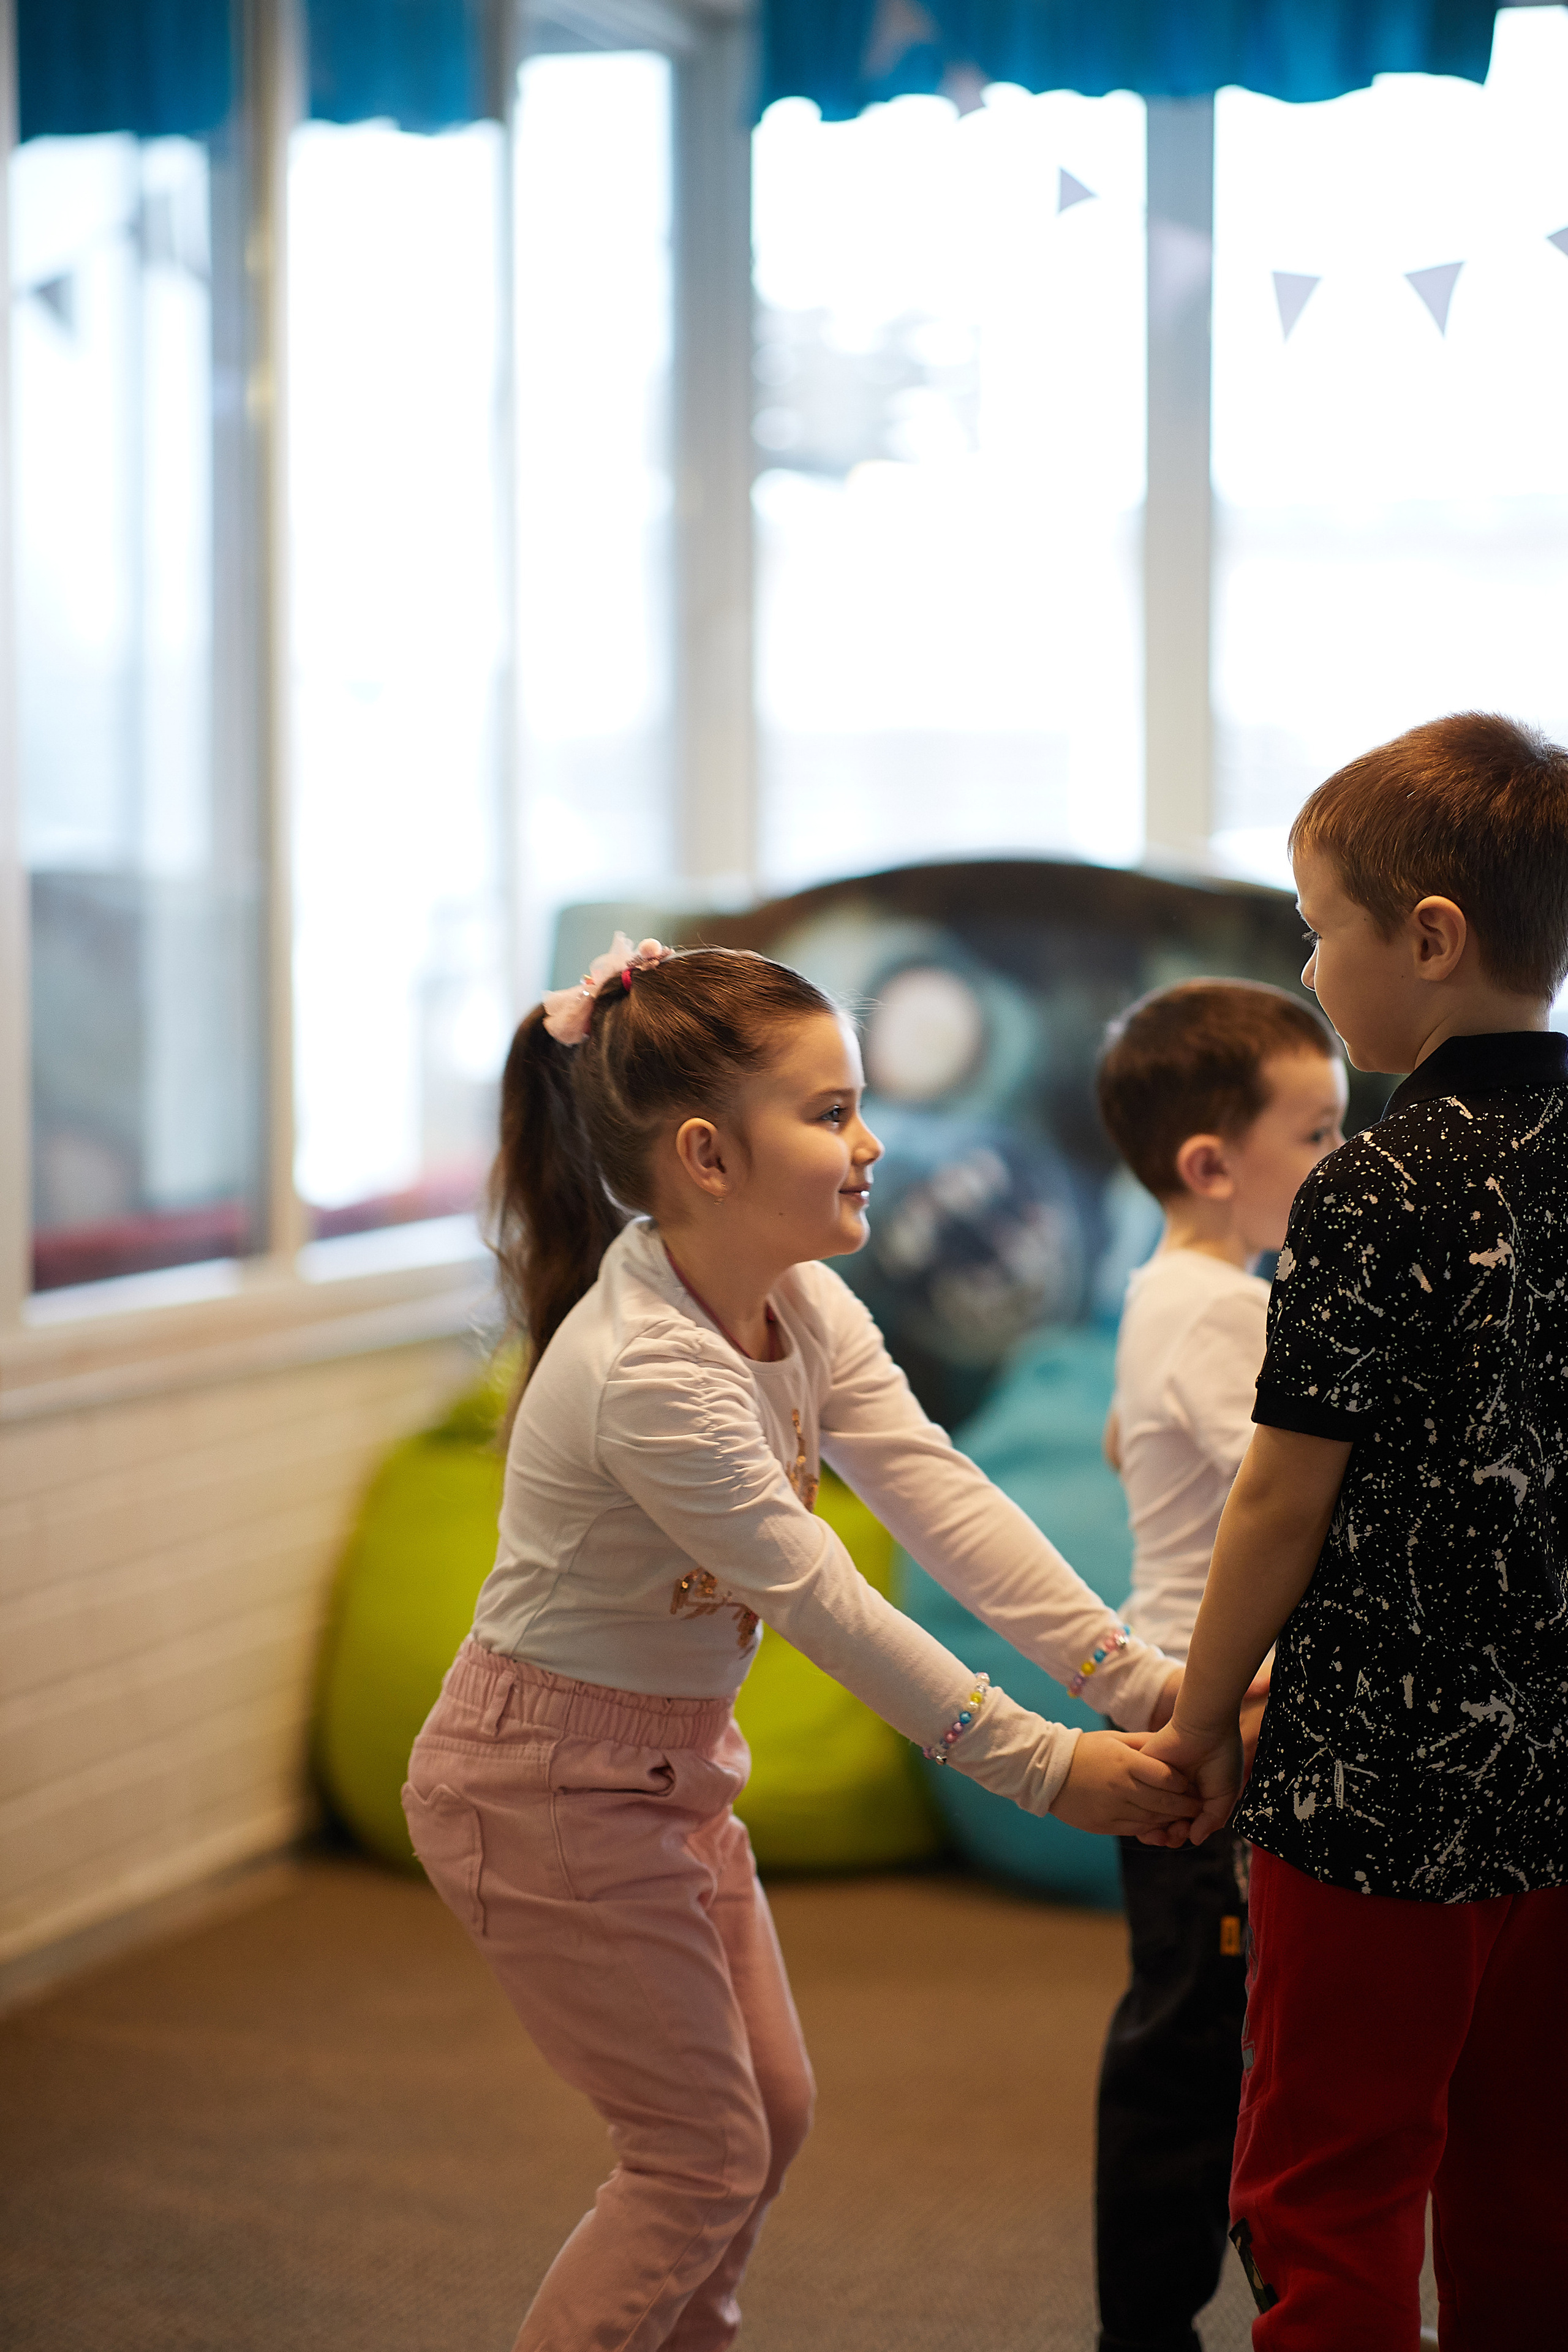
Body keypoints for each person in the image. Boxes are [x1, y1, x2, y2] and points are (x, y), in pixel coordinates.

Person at [403, 933, 1198, 2352]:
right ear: (707, 1156)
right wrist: (1043, 1768)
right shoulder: (651, 1373)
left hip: (664, 1771)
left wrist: (1127, 1678)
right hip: (539, 1794)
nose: (871, 1143)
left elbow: (936, 1492)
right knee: (696, 2153)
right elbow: (825, 1602)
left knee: (763, 2117)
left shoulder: (799, 1300)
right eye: (830, 1113)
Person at [1143, 713, 1568, 2351]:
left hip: (1376, 1788)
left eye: (1322, 928)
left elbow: (1283, 1492)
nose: (1314, 968)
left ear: (1432, 941)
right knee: (1534, 2177)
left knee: (1331, 2182)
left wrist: (1195, 1716)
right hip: (1553, 1784)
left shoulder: (1377, 1184)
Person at [1091, 981, 1346, 2352]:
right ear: (1210, 1165)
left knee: (1196, 2035)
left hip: (1207, 1708)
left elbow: (1141, 1454)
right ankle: (1147, 2329)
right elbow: (1292, 1502)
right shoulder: (1218, 1316)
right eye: (1314, 1136)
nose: (1338, 1163)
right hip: (1215, 1729)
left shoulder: (1173, 1296)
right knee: (1196, 2053)